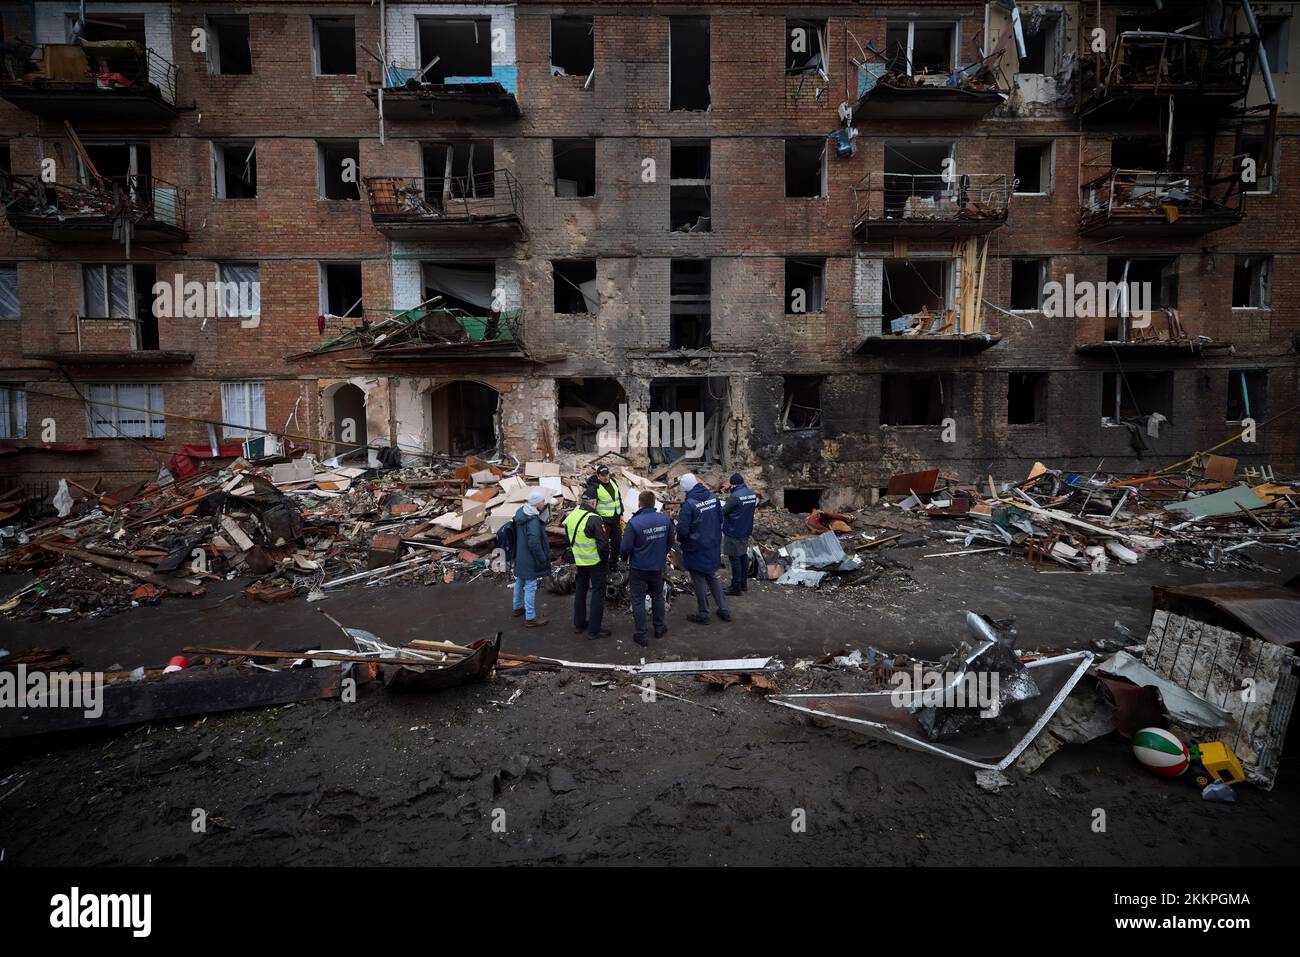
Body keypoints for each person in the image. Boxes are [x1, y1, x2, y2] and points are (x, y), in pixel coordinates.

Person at [621, 489, 675, 647]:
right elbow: (670, 540)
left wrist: (624, 560)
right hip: (657, 566)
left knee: (637, 600)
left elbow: (625, 548)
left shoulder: (634, 523)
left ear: (639, 504)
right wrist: (660, 554)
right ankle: (659, 628)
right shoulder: (664, 520)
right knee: (657, 596)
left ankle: (641, 634)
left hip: (639, 568)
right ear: (654, 504)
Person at [675, 473, 731, 624]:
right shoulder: (713, 497)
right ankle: (724, 609)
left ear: (686, 489)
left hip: (695, 548)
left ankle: (703, 613)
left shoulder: (689, 504)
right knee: (711, 575)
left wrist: (682, 541)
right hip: (712, 544)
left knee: (698, 579)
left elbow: (682, 530)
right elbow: (720, 518)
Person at [563, 492, 611, 639]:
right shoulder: (594, 519)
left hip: (579, 561)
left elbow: (568, 538)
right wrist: (604, 561)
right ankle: (594, 630)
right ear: (593, 502)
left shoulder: (571, 516)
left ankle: (579, 624)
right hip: (595, 562)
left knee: (581, 591)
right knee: (597, 593)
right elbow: (603, 545)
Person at [511, 490, 551, 627]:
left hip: (520, 555)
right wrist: (542, 558)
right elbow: (534, 543)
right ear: (536, 503)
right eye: (542, 501)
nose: (544, 503)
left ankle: (517, 607)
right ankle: (531, 617)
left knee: (519, 580)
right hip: (530, 558)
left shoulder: (521, 513)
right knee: (530, 585)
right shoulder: (533, 520)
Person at [721, 473, 758, 596]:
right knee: (742, 556)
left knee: (734, 558)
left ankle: (735, 586)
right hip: (745, 529)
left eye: (730, 484)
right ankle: (743, 583)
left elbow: (723, 511)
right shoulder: (752, 494)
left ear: (734, 484)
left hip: (733, 530)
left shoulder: (735, 496)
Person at [584, 464, 623, 569]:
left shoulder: (613, 482)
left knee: (617, 542)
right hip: (604, 521)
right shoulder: (594, 488)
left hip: (615, 519)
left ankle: (613, 563)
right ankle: (603, 565)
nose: (606, 477)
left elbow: (618, 498)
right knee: (603, 545)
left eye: (607, 474)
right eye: (603, 475)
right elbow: (587, 505)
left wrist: (621, 513)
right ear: (598, 476)